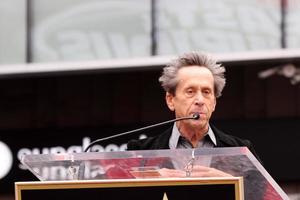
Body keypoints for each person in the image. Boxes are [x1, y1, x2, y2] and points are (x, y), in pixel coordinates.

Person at [127, 51, 260, 161]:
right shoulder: (140, 152)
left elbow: (259, 192)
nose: (200, 100)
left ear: (214, 103)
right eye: (190, 91)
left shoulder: (242, 151)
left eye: (206, 92)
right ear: (170, 100)